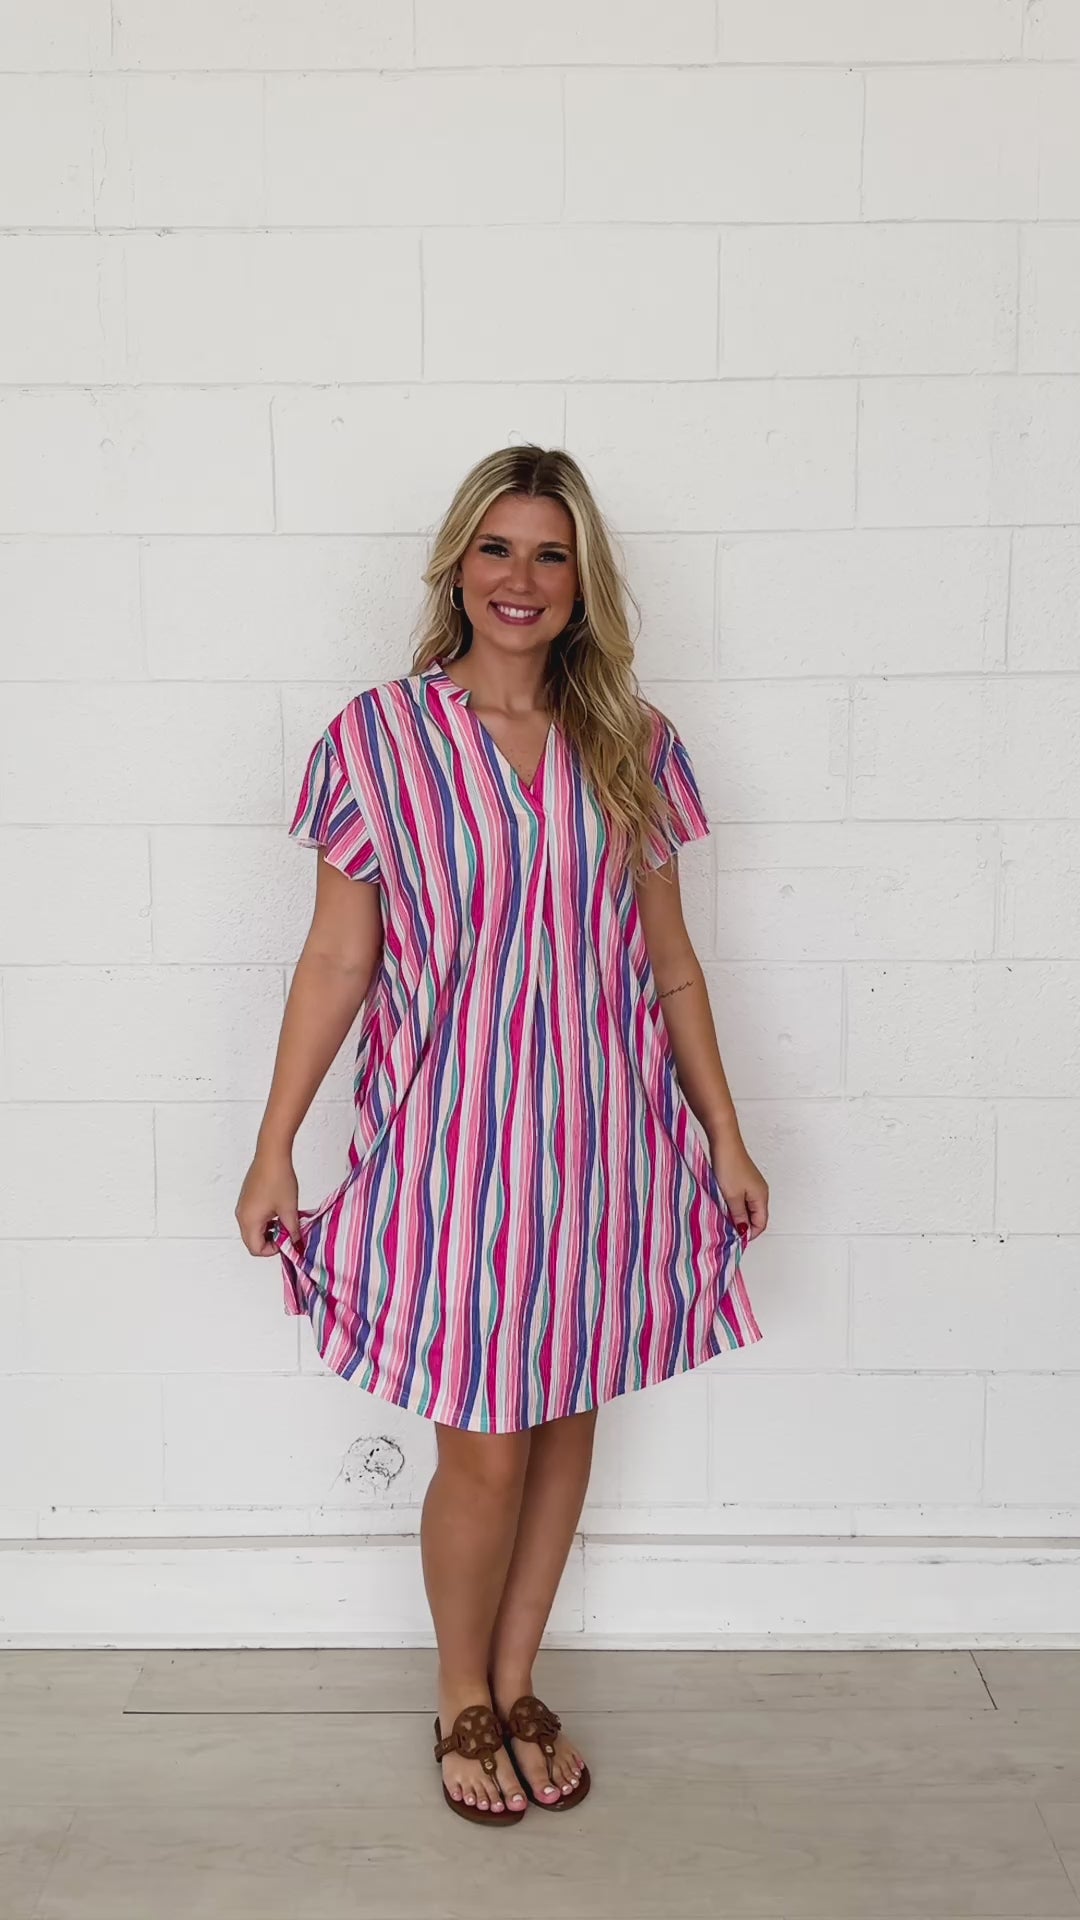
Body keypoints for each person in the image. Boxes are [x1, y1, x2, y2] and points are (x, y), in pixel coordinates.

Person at [236, 444, 769, 1826]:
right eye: (495, 548)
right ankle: (460, 1693)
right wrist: (275, 1143)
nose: (519, 579)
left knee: (568, 1410)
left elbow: (672, 966)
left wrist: (726, 1135)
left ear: (583, 580)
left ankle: (521, 1680)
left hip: (605, 1145)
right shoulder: (377, 741)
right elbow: (337, 960)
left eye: (549, 553)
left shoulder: (632, 742)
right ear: (456, 566)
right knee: (484, 1437)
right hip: (453, 1151)